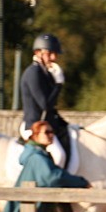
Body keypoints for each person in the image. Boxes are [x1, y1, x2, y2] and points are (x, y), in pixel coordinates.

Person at [0, 121, 91, 212]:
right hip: (31, 211)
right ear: (35, 135)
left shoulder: (41, 155)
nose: (51, 135)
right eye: (46, 132)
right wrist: (81, 182)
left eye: (51, 132)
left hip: (39, 210)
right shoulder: (37, 158)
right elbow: (52, 177)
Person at [20, 33, 71, 169]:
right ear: (38, 52)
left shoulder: (44, 72)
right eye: (50, 54)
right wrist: (59, 84)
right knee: (59, 155)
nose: (54, 58)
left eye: (55, 54)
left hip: (45, 124)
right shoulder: (33, 73)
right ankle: (50, 185)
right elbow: (45, 104)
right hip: (34, 127)